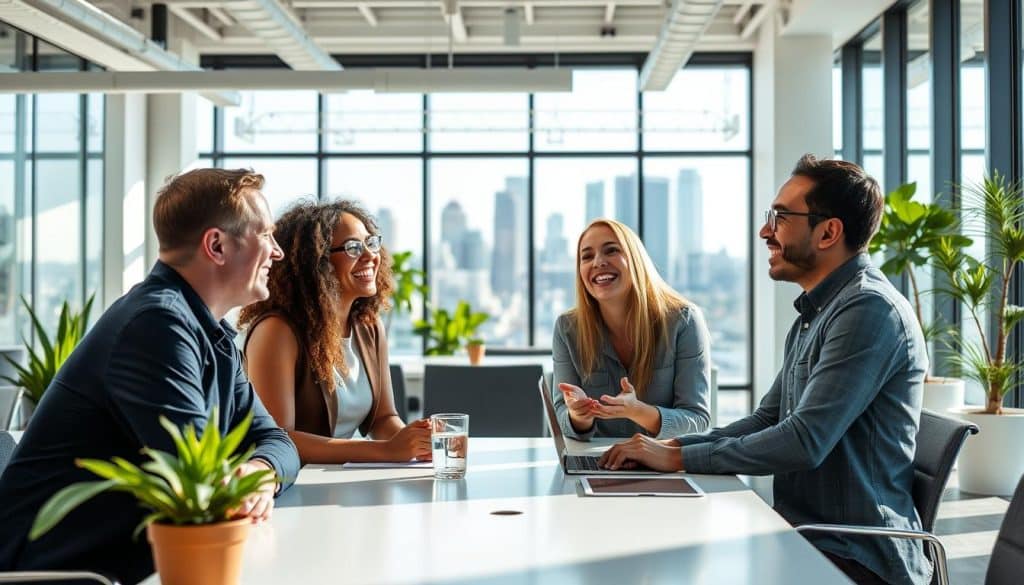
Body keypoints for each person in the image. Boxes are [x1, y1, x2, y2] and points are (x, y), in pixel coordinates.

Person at [599, 155, 930, 585]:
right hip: (805, 537)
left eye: (780, 217)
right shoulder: (818, 313)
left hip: (854, 556)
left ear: (828, 232)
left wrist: (678, 456)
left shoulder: (868, 311)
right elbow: (767, 419)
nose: (764, 231)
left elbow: (804, 441)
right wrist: (670, 446)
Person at [0, 168, 301, 584]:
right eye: (266, 235)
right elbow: (199, 483)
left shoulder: (210, 332)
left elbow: (276, 440)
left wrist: (259, 472)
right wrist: (243, 479)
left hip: (131, 566)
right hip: (58, 575)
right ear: (216, 245)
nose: (278, 252)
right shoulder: (156, 324)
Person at [240, 200, 431, 464]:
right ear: (317, 263)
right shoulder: (277, 332)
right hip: (290, 488)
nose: (370, 256)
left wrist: (417, 444)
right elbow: (277, 437)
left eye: (371, 243)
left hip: (340, 484)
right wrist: (386, 451)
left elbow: (383, 418)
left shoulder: (369, 326)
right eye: (353, 247)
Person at [552, 218, 711, 441]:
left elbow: (697, 420)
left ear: (635, 260)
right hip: (599, 462)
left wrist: (637, 411)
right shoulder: (567, 329)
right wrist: (579, 416)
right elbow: (559, 417)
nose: (598, 262)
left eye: (611, 251)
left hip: (663, 465)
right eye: (587, 256)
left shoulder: (683, 320)